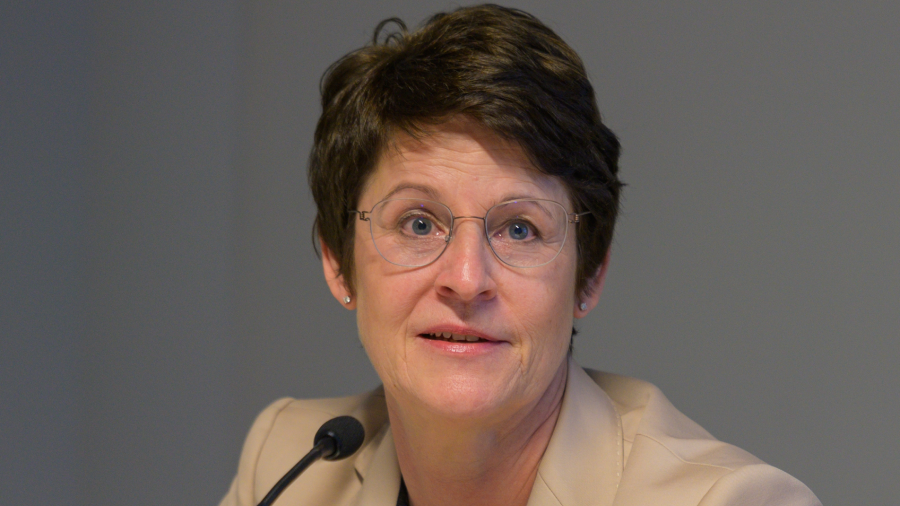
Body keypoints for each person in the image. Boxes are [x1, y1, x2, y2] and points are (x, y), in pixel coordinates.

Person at [219, 5, 820, 506]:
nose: (466, 279)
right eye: (419, 223)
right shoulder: (287, 466)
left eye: (519, 230)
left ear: (590, 274)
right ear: (336, 262)